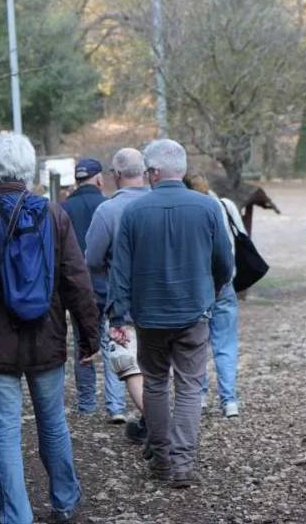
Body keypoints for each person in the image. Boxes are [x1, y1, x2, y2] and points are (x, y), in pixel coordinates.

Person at [0, 132, 101, 524]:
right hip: (45, 336)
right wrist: (89, 336)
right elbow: (76, 280)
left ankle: (17, 516)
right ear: (28, 169)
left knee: (6, 431)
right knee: (53, 422)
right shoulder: (54, 214)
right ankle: (64, 501)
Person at [109, 139, 234, 489]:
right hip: (194, 311)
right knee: (190, 387)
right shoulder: (207, 208)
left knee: (156, 384)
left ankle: (162, 460)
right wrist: (214, 290)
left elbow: (120, 270)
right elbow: (224, 261)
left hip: (149, 316)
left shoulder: (133, 213)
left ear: (154, 172)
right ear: (180, 169)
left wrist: (119, 316)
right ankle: (182, 463)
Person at [84, 148, 150, 442]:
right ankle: (160, 421)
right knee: (159, 364)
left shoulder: (108, 210)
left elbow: (92, 259)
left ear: (116, 175)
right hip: (165, 299)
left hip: (124, 301)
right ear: (146, 172)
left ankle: (156, 423)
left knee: (129, 364)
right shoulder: (158, 203)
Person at [63, 158, 125, 422]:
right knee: (114, 342)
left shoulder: (63, 208)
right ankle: (116, 406)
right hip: (108, 287)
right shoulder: (108, 206)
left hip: (78, 289)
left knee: (83, 345)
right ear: (99, 179)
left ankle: (87, 404)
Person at [182, 172, 243, 418]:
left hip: (198, 285)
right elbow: (240, 238)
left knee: (198, 343)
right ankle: (229, 401)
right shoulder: (225, 206)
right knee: (225, 344)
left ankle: (201, 396)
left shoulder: (187, 211)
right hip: (226, 281)